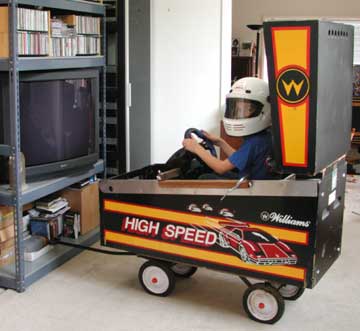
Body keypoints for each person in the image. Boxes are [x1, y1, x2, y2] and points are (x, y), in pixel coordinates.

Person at [182, 77, 272, 180]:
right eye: (237, 109)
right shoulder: (263, 137)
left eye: (246, 109)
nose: (239, 113)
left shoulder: (255, 142)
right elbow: (240, 158)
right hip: (248, 182)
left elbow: (221, 168)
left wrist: (196, 148)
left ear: (264, 111)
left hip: (249, 190)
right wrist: (221, 143)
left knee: (205, 177)